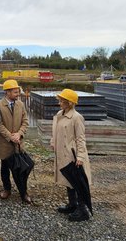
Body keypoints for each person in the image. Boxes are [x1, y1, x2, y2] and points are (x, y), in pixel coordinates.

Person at [50, 88, 92, 222]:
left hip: (72, 155)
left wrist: (80, 157)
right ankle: (72, 204)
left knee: (78, 182)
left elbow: (80, 138)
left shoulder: (76, 117)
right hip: (62, 154)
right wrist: (53, 141)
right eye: (60, 100)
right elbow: (55, 131)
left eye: (62, 101)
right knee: (68, 180)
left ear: (69, 103)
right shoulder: (59, 114)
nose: (59, 103)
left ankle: (83, 210)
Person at [0, 79, 31, 203]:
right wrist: (10, 136)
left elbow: (25, 121)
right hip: (5, 144)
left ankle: (24, 191)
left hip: (18, 143)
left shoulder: (20, 105)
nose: (18, 94)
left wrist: (19, 134)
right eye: (15, 92)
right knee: (5, 167)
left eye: (18, 92)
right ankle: (7, 189)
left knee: (21, 168)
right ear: (7, 92)